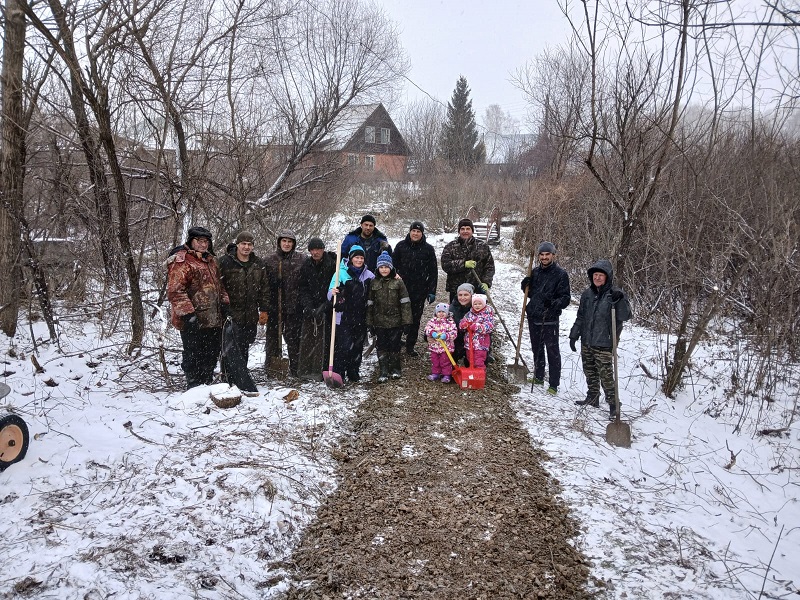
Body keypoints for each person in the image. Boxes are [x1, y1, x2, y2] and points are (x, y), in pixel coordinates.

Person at [167, 226, 230, 389]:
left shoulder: (211, 260)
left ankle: (206, 381)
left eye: (206, 241)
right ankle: (194, 385)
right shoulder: (182, 261)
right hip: (193, 319)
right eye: (199, 241)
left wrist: (225, 303)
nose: (203, 244)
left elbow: (219, 285)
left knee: (211, 352)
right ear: (191, 241)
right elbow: (175, 290)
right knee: (193, 352)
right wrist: (188, 315)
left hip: (213, 318)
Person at [569, 259, 633, 420]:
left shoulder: (615, 295)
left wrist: (621, 300)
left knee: (606, 375)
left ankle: (613, 404)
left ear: (607, 277)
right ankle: (592, 397)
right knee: (589, 371)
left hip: (604, 342)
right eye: (595, 275)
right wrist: (574, 334)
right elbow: (581, 316)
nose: (597, 278)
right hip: (587, 340)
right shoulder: (587, 294)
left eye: (600, 275)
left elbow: (626, 316)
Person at [218, 231, 270, 386]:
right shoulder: (225, 262)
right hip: (231, 313)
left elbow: (264, 288)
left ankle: (241, 376)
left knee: (245, 345)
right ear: (237, 245)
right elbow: (218, 287)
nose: (246, 247)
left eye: (249, 244)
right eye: (243, 244)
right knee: (229, 347)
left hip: (250, 314)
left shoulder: (258, 263)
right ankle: (227, 378)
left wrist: (264, 309)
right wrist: (222, 308)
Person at [521, 241, 571, 396]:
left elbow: (566, 299)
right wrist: (525, 285)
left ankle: (554, 384)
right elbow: (532, 294)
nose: (544, 257)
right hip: (534, 315)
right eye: (541, 255)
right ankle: (538, 376)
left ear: (553, 255)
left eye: (547, 254)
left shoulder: (561, 274)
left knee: (552, 350)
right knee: (536, 348)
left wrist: (553, 304)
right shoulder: (535, 272)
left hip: (549, 317)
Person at [328, 245, 374, 383]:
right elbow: (329, 293)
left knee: (358, 345)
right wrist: (334, 293)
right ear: (351, 258)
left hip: (361, 315)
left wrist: (394, 275)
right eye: (356, 257)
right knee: (343, 345)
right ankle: (340, 372)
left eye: (361, 258)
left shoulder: (369, 275)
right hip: (344, 316)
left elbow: (380, 284)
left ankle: (353, 371)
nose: (359, 260)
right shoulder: (339, 273)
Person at [393, 221, 438, 357]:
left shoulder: (428, 249)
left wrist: (431, 290)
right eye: (413, 231)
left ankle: (410, 345)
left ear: (422, 233)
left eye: (418, 231)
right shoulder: (401, 246)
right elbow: (393, 265)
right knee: (398, 317)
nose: (415, 233)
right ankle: (396, 341)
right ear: (410, 232)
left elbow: (433, 271)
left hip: (419, 290)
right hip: (401, 289)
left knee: (415, 318)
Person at [366, 251, 413, 383]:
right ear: (377, 268)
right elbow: (370, 304)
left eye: (386, 267)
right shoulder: (373, 283)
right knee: (381, 346)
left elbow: (405, 302)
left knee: (395, 345)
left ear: (391, 268)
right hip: (379, 322)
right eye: (381, 267)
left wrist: (407, 322)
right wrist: (369, 322)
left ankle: (396, 368)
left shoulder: (398, 282)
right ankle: (383, 370)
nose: (384, 269)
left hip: (395, 321)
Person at [264, 230, 305, 377]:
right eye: (284, 241)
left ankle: (296, 368)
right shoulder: (270, 260)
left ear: (293, 244)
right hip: (275, 306)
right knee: (273, 338)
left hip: (294, 306)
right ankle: (272, 369)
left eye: (290, 241)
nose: (287, 244)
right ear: (279, 242)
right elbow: (264, 284)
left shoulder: (301, 259)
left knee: (294, 338)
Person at [297, 237, 337, 381]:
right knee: (310, 340)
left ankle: (325, 368)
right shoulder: (306, 265)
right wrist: (308, 306)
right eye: (312, 250)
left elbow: (336, 288)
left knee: (327, 340)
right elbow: (303, 288)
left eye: (318, 249)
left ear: (323, 249)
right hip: (311, 307)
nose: (315, 252)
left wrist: (325, 305)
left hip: (328, 307)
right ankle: (309, 368)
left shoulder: (332, 264)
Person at [441, 218, 495, 302]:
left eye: (468, 229)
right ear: (459, 231)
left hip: (477, 290)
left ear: (472, 231)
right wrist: (463, 264)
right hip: (457, 291)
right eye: (462, 229)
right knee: (456, 315)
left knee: (478, 314)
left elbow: (489, 266)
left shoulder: (482, 246)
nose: (465, 231)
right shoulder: (450, 246)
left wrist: (486, 282)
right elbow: (445, 265)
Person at [458, 293, 495, 369]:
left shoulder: (487, 315)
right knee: (470, 360)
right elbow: (463, 322)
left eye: (479, 304)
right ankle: (471, 375)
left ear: (484, 304)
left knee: (479, 361)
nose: (477, 306)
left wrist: (476, 326)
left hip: (481, 344)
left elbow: (489, 327)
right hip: (469, 344)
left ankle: (479, 376)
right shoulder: (470, 314)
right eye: (475, 304)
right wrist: (463, 325)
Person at [424, 302, 458, 383]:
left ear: (447, 313)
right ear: (436, 312)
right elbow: (427, 329)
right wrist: (432, 333)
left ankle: (446, 374)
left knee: (445, 361)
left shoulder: (450, 322)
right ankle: (436, 373)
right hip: (434, 346)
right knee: (435, 361)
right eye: (439, 312)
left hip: (446, 347)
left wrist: (446, 336)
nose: (441, 314)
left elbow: (454, 332)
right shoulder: (432, 321)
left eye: (443, 312)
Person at [448, 282, 474, 365]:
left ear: (471, 296)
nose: (463, 298)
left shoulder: (477, 307)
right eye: (460, 295)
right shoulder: (453, 308)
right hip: (457, 339)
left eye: (466, 295)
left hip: (473, 341)